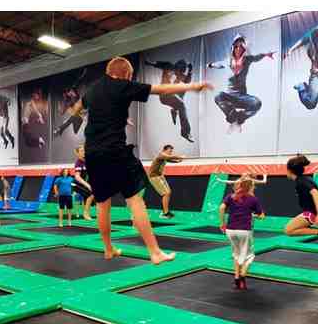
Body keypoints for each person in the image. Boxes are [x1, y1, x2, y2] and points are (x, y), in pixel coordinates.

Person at [68, 56, 212, 264]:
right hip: (116, 151)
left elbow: (77, 109)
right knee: (135, 200)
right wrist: (193, 86)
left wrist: (111, 116)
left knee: (102, 204)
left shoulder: (93, 89)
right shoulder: (123, 85)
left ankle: (108, 249)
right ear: (126, 74)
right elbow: (160, 90)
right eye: (130, 76)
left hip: (92, 153)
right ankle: (155, 252)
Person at [207, 34, 275, 133]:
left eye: (241, 46)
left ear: (244, 48)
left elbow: (257, 57)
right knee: (218, 96)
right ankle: (234, 121)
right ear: (233, 48)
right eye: (236, 46)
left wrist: (266, 54)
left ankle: (239, 119)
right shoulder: (227, 61)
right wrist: (210, 65)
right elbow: (218, 64)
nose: (238, 49)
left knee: (257, 103)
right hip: (230, 98)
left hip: (242, 97)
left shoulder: (247, 60)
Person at [219, 175, 265, 289]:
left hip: (230, 230)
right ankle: (243, 275)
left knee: (236, 254)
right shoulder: (253, 199)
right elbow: (262, 216)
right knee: (249, 256)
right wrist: (254, 215)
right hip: (244, 230)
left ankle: (236, 278)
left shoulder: (230, 196)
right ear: (250, 187)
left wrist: (222, 223)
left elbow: (221, 208)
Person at [284, 155, 318, 246]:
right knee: (291, 228)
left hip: (314, 213)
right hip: (317, 211)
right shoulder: (305, 179)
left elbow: (315, 192)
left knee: (288, 230)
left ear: (289, 171)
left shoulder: (301, 181)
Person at [145, 59, 195, 142]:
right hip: (164, 95)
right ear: (176, 68)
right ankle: (185, 132)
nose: (178, 75)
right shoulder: (169, 66)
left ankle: (174, 109)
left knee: (182, 90)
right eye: (178, 72)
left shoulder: (181, 76)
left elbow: (187, 81)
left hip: (171, 98)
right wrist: (150, 63)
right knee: (181, 105)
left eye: (181, 73)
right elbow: (158, 64)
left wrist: (190, 71)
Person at [148, 145, 184, 218]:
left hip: (160, 176)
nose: (171, 152)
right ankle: (165, 213)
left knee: (168, 192)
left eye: (171, 151)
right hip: (154, 177)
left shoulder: (164, 157)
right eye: (170, 151)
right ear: (165, 150)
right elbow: (170, 157)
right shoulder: (161, 154)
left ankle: (165, 211)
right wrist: (180, 156)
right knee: (166, 193)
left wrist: (178, 161)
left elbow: (170, 160)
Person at [73, 145, 95, 221]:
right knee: (91, 194)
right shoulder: (78, 163)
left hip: (85, 183)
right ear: (77, 153)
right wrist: (87, 185)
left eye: (84, 150)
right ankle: (85, 214)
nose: (84, 152)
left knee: (92, 195)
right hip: (77, 184)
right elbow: (77, 177)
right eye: (81, 151)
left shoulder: (87, 161)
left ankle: (87, 212)